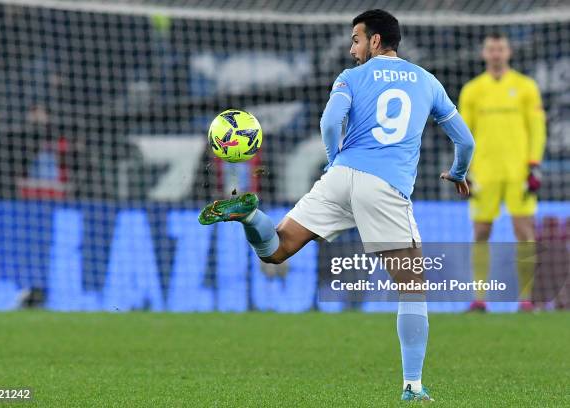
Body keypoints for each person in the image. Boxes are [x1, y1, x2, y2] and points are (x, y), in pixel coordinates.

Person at [199, 9, 474, 401]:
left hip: (341, 175)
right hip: (385, 185)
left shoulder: (350, 78)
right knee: (413, 287)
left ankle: (249, 214)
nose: (351, 49)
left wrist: (333, 160)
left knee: (277, 250)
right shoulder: (427, 81)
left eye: (356, 40)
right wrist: (459, 172)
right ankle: (412, 386)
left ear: (375, 40)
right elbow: (465, 142)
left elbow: (330, 122)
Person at [459, 32, 546, 312]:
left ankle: (525, 298)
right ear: (484, 54)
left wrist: (534, 165)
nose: (496, 54)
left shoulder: (525, 87)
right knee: (481, 231)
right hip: (483, 172)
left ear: (508, 52)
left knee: (524, 230)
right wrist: (464, 172)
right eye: (491, 50)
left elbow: (537, 129)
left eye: (500, 49)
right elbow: (463, 134)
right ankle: (480, 298)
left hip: (518, 171)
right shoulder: (472, 90)